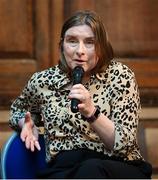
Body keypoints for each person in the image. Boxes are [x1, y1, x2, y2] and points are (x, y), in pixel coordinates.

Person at [9, 10, 152, 179]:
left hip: (116, 167)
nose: (80, 51)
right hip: (63, 170)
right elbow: (17, 110)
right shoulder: (43, 81)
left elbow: (124, 145)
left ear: (101, 47)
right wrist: (27, 123)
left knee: (91, 169)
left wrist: (92, 113)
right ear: (62, 45)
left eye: (90, 42)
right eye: (72, 41)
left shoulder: (120, 76)